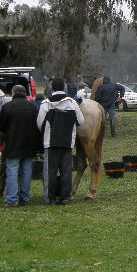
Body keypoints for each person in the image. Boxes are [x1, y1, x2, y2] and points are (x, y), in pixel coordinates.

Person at [38, 77, 84, 205]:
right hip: (67, 142)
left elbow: (39, 123)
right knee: (66, 171)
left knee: (50, 172)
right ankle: (65, 197)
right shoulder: (72, 103)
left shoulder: (46, 104)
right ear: (65, 88)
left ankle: (50, 198)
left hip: (50, 143)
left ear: (51, 89)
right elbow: (81, 121)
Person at [0, 84, 41, 207]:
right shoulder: (33, 107)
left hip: (12, 144)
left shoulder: (7, 107)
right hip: (29, 144)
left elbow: (1, 126)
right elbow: (37, 125)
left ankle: (12, 199)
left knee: (12, 170)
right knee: (27, 171)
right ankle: (24, 197)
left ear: (13, 93)